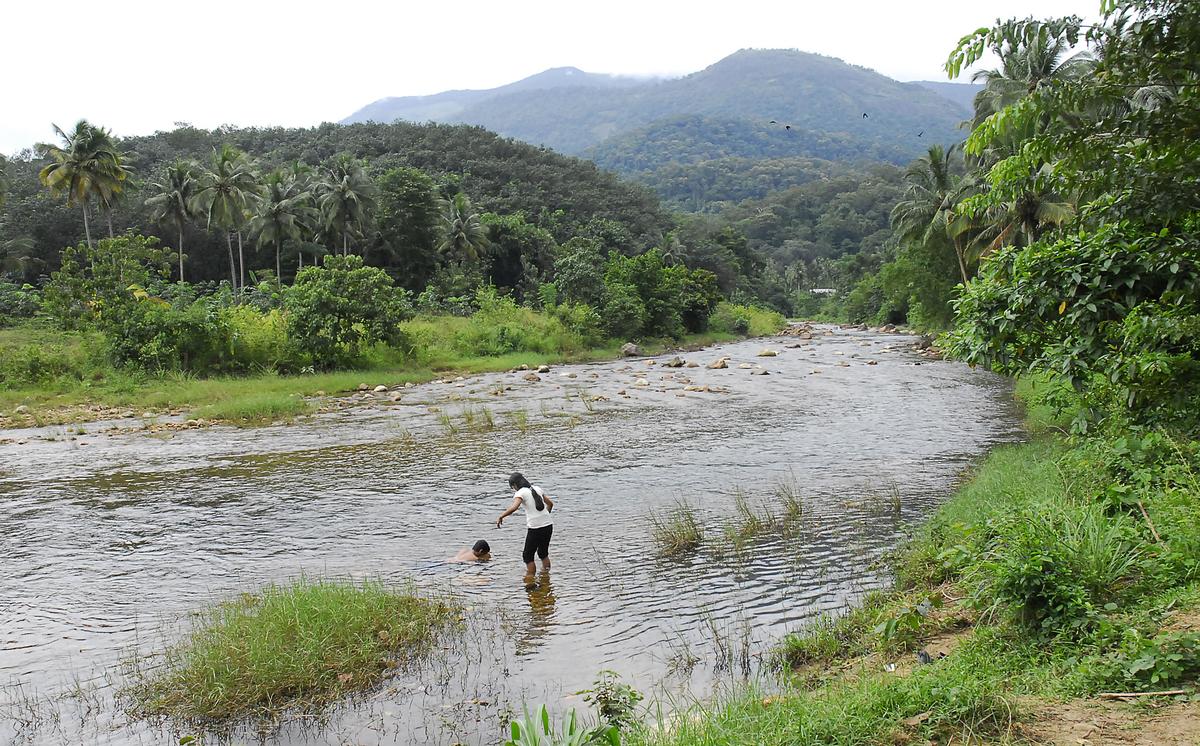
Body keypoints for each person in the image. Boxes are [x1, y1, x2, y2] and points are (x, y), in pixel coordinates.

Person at [496, 472, 554, 576]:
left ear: (514, 485)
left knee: (528, 556)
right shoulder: (537, 489)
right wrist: (545, 516)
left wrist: (501, 516)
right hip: (548, 525)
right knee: (543, 553)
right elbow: (550, 504)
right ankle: (546, 576)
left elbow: (514, 508)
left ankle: (530, 580)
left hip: (535, 527)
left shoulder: (521, 493)